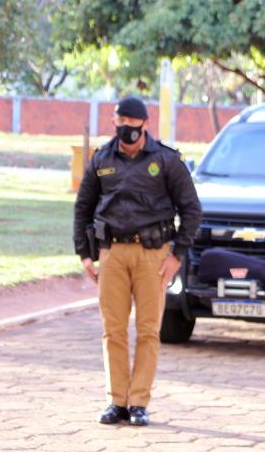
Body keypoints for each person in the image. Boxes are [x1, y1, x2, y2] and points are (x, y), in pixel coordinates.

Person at [73, 96, 201, 426]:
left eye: (131, 124)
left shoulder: (167, 160)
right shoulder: (102, 157)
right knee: (112, 330)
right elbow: (82, 207)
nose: (124, 130)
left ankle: (139, 402)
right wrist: (85, 255)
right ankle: (116, 401)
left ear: (145, 124)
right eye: (119, 123)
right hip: (112, 253)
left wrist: (177, 255)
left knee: (148, 330)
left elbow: (191, 210)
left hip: (152, 255)